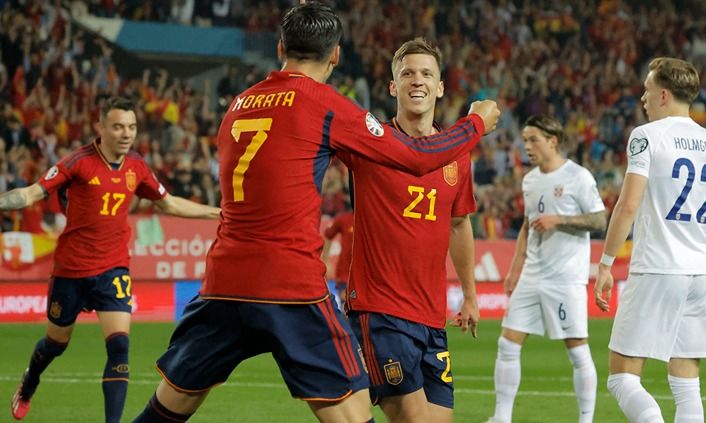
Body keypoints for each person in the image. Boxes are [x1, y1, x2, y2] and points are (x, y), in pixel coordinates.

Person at [131, 3, 500, 423]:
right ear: (336, 55)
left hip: (222, 283)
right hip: (290, 287)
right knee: (354, 412)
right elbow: (415, 159)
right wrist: (473, 126)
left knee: (167, 408)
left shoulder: (239, 104)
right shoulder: (326, 105)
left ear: (280, 47)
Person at [5, 96, 220, 422]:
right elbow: (33, 192)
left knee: (119, 347)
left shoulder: (137, 166)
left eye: (131, 127)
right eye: (118, 126)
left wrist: (218, 212)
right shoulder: (78, 162)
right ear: (101, 127)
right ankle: (30, 382)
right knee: (56, 342)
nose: (126, 133)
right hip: (71, 269)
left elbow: (170, 203)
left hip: (113, 267)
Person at [336, 37, 480, 423]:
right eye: (407, 73)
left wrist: (469, 293)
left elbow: (460, 222)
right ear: (392, 86)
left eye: (427, 74)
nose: (417, 81)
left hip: (432, 316)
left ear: (440, 87)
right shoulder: (369, 142)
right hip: (380, 310)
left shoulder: (456, 154)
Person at [595, 57, 706, 423]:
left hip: (657, 268)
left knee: (622, 377)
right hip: (699, 276)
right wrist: (700, 244)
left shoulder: (647, 136)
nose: (642, 99)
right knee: (687, 386)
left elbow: (627, 205)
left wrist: (606, 263)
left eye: (646, 91)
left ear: (663, 94)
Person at [487, 115, 607, 423]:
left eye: (533, 140)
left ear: (552, 141)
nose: (527, 146)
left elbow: (599, 220)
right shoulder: (530, 180)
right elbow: (528, 226)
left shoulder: (578, 177)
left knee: (577, 350)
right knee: (507, 342)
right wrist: (515, 268)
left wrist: (560, 220)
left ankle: (586, 419)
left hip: (565, 277)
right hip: (532, 274)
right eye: (525, 140)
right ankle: (501, 418)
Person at [322, 204, 354, 307]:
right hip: (345, 276)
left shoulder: (371, 219)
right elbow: (328, 235)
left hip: (365, 277)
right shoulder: (344, 219)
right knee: (347, 309)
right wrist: (326, 259)